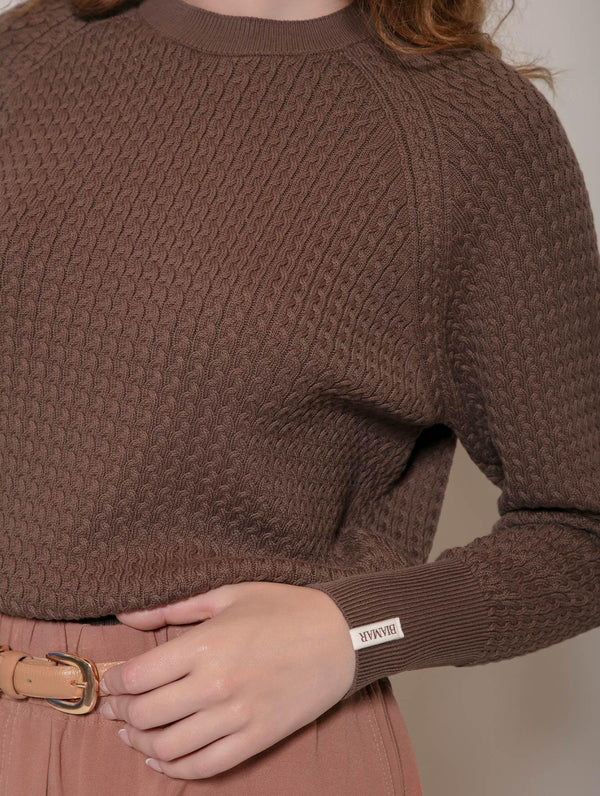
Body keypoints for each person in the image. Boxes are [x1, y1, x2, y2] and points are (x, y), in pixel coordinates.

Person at [0, 0, 598, 793]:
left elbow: (583, 526)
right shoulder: (29, 52)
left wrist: (356, 631)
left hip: (235, 748)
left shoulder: (466, 130)